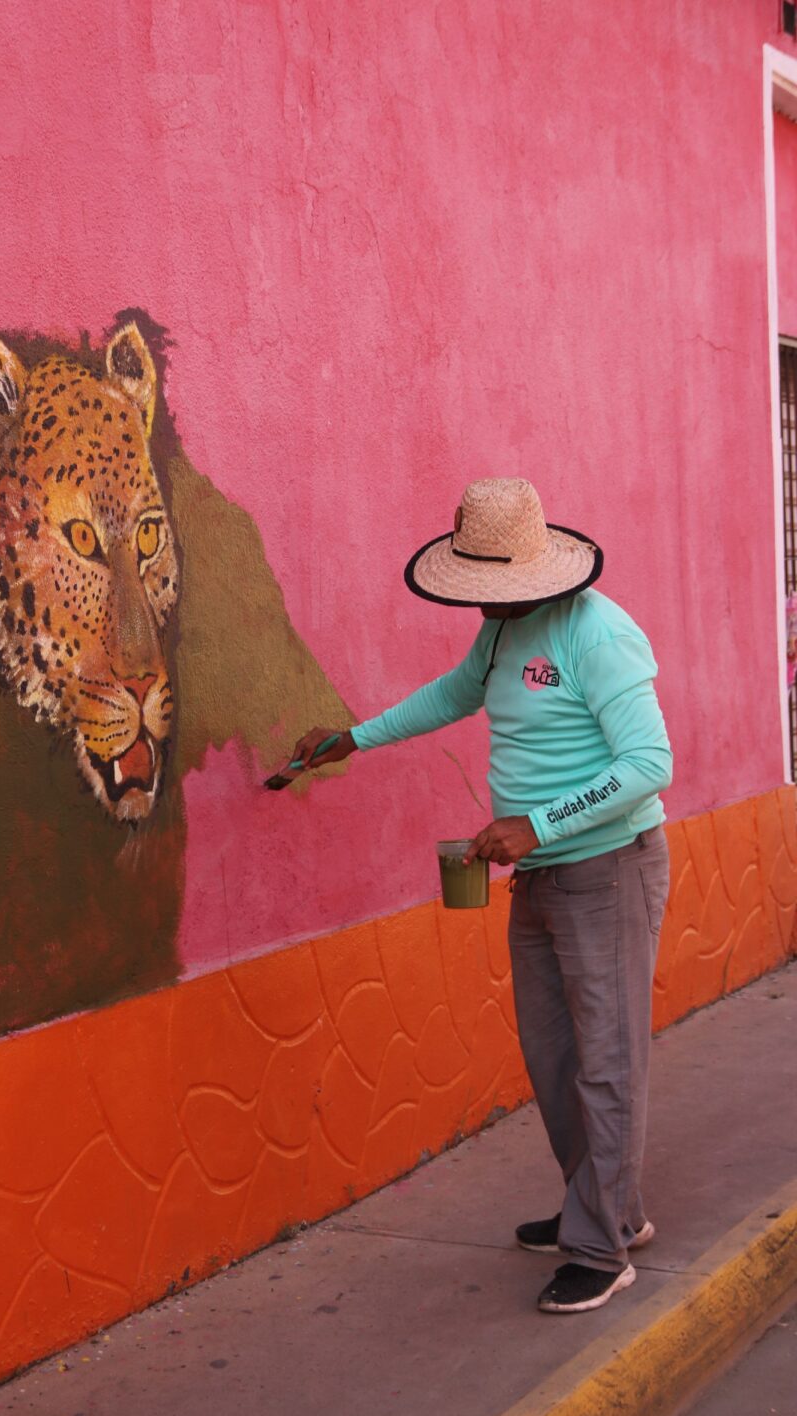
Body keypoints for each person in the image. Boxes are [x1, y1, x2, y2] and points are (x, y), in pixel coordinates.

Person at [286, 478, 672, 1314]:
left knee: (607, 1062)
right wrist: (350, 738)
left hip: (606, 869)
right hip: (539, 875)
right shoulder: (501, 633)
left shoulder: (597, 633)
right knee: (554, 1054)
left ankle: (601, 1247)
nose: (486, 603)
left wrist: (536, 825)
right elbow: (454, 695)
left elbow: (650, 763)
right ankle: (607, 1208)